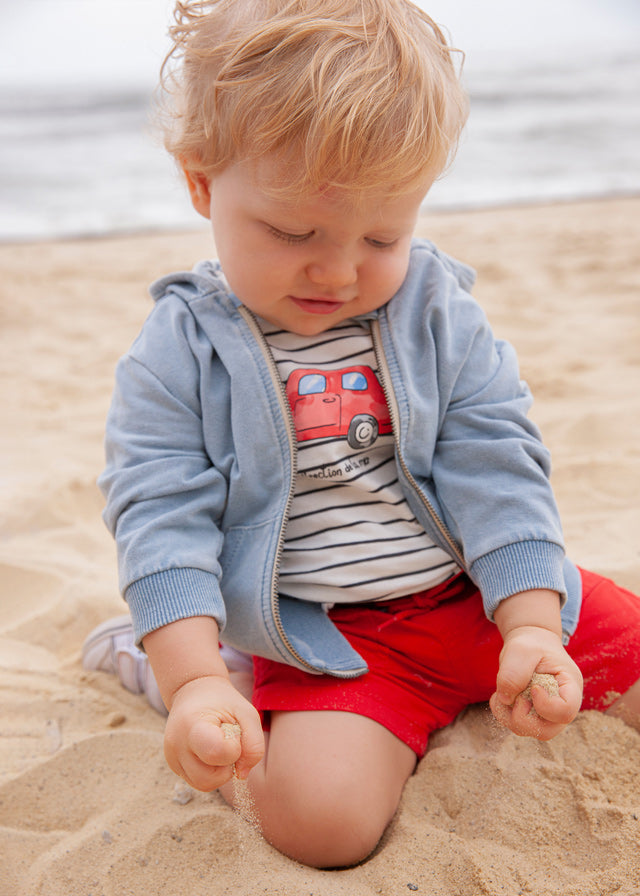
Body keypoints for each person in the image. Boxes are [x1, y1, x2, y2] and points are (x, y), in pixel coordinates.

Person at [82, 0, 640, 869]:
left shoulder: (435, 310)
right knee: (323, 828)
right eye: (292, 231)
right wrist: (192, 681)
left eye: (383, 234)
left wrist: (531, 623)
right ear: (201, 181)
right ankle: (194, 673)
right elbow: (162, 515)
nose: (339, 270)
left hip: (478, 597)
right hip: (337, 640)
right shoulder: (180, 351)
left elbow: (497, 461)